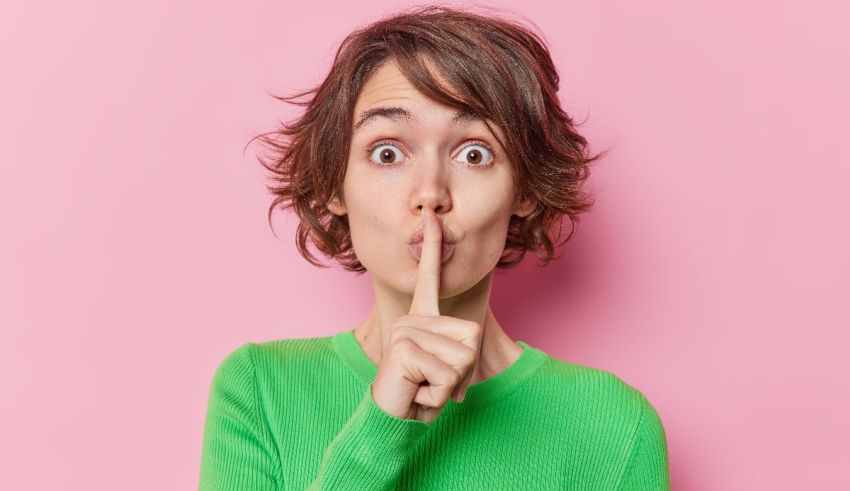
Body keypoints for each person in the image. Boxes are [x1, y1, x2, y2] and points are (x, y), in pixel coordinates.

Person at [199, 5, 670, 490]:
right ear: (335, 185)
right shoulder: (259, 390)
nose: (430, 192)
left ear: (524, 190)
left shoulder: (614, 426)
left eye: (474, 153)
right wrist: (382, 427)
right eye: (387, 153)